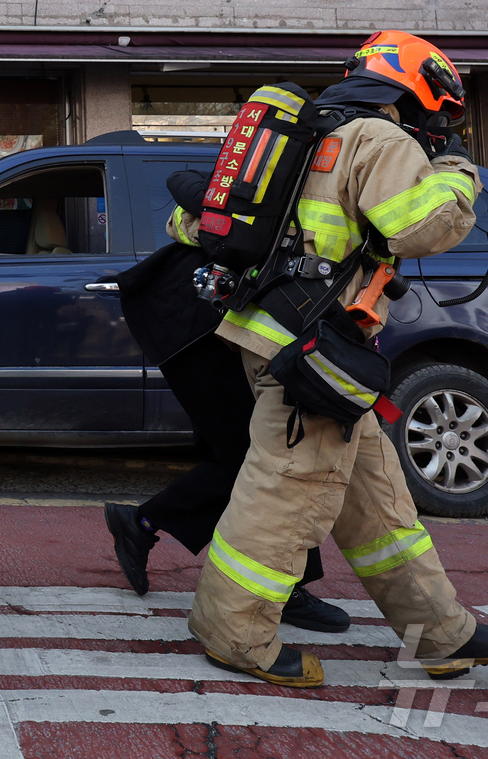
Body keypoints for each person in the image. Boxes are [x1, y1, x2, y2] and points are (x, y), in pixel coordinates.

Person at [170, 31, 488, 687]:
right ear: (417, 88)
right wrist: (456, 170)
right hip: (311, 351)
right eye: (441, 110)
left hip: (283, 336)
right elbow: (424, 226)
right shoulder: (379, 139)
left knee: (379, 503)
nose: (441, 124)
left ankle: (442, 633)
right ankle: (234, 632)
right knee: (282, 494)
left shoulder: (310, 132)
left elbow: (195, 225)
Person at [105, 217, 348, 633]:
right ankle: (281, 586)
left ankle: (143, 525)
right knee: (262, 454)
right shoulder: (301, 166)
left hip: (224, 323)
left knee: (253, 454)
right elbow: (189, 205)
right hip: (202, 324)